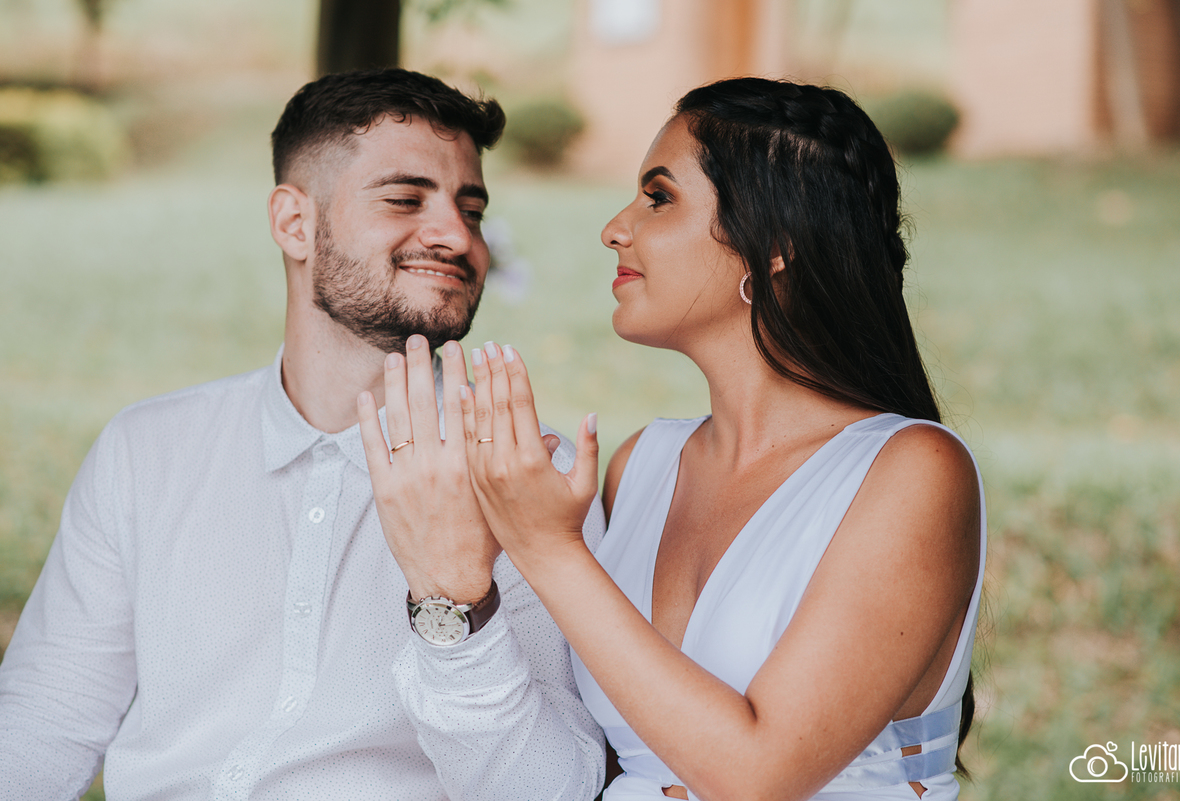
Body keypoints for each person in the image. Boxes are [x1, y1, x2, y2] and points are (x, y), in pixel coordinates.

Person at [0, 69, 605, 800]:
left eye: (470, 209)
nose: (458, 236)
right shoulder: (144, 452)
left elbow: (555, 788)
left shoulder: (528, 473)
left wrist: (456, 601)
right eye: (407, 199)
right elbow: (45, 720)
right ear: (294, 223)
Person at [404, 78, 986, 800]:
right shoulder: (640, 465)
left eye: (659, 197)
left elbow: (757, 773)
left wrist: (549, 547)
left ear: (772, 244)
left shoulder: (913, 472)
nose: (616, 228)